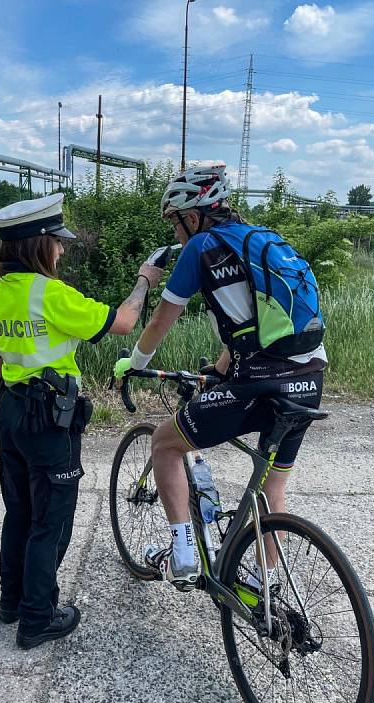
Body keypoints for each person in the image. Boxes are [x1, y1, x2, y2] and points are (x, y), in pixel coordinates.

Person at [113, 162, 327, 591]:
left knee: (164, 444)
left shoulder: (202, 246)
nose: (177, 233)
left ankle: (184, 553)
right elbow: (254, 323)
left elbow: (160, 319)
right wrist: (218, 370)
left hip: (259, 383)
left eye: (175, 224)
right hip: (309, 378)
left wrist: (135, 362)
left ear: (192, 216)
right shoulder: (262, 241)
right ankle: (271, 592)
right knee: (271, 490)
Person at [0, 194, 163, 649]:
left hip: (11, 413)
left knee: (19, 511)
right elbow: (122, 322)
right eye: (57, 243)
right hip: (49, 420)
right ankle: (38, 618)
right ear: (38, 244)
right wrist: (144, 280)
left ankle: (13, 602)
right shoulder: (50, 294)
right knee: (53, 520)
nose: (61, 250)